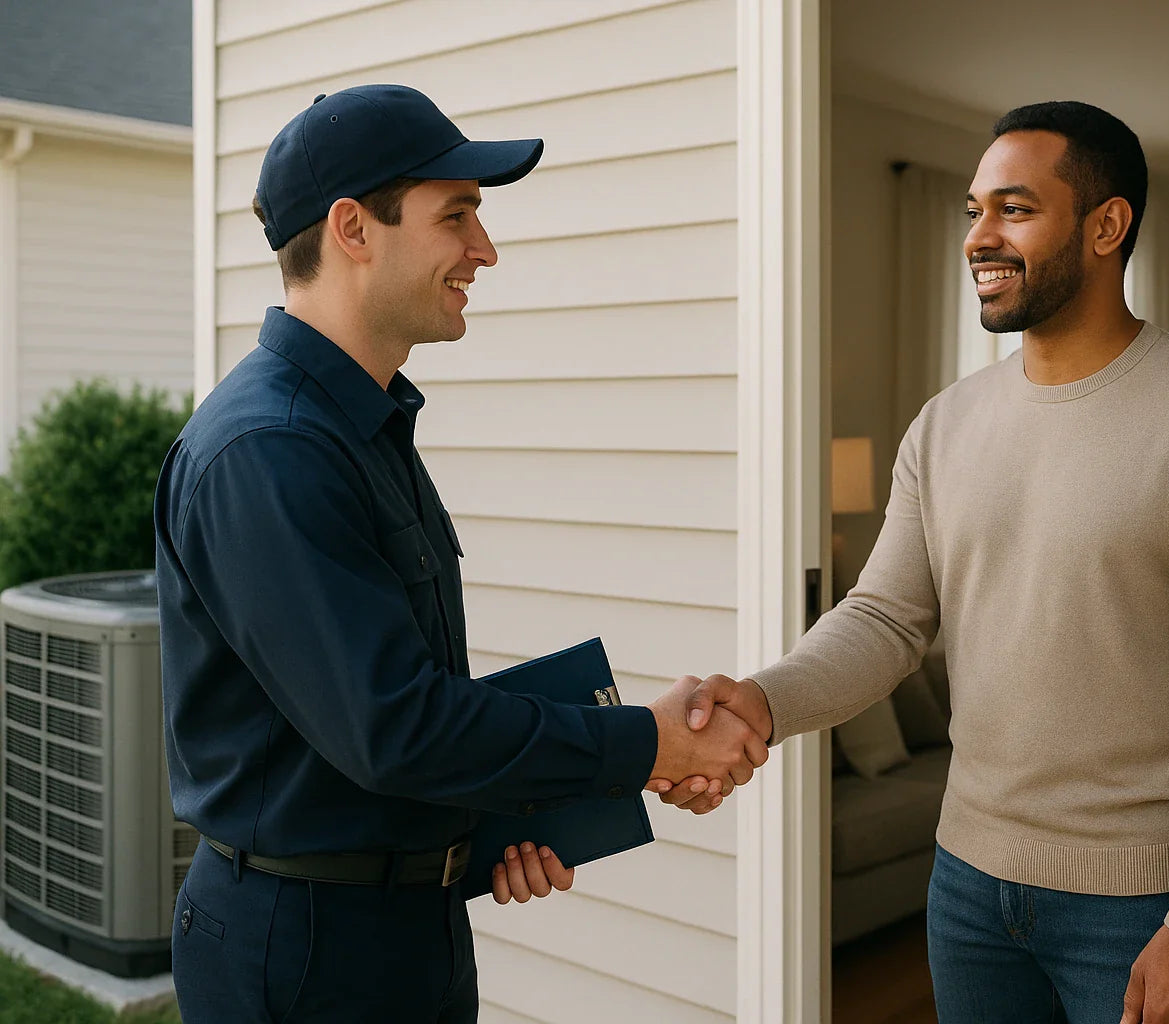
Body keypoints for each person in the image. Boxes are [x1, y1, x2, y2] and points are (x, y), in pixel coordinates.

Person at [154, 84, 767, 1024]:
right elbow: (395, 727)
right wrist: (646, 743)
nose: (483, 250)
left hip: (406, 926)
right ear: (354, 228)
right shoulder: (268, 452)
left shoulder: (360, 426)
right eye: (458, 215)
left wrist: (502, 819)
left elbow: (385, 720)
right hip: (307, 955)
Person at [660, 101, 1169, 1024]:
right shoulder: (946, 423)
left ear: (1107, 226)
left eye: (1014, 208)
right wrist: (761, 700)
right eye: (971, 210)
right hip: (966, 887)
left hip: (1139, 906)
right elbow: (883, 619)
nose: (979, 237)